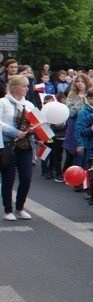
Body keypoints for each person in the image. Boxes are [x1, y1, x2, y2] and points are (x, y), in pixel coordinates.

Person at [0, 75, 38, 221]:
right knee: (8, 178)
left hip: (25, 145)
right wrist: (15, 132)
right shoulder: (3, 102)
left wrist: (34, 130)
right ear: (15, 88)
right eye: (24, 86)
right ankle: (8, 210)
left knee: (27, 177)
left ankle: (20, 207)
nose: (27, 89)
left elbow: (36, 122)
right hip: (8, 145)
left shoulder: (29, 105)